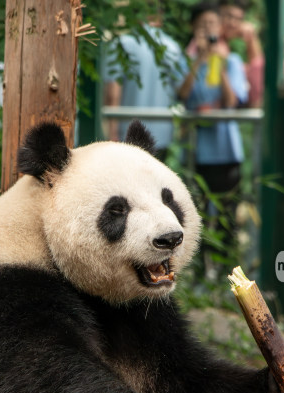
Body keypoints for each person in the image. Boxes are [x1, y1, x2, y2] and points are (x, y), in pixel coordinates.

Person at [177, 2, 248, 279]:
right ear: (193, 30)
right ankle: (197, 274)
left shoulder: (231, 61)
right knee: (196, 215)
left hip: (227, 151)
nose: (208, 31)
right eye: (202, 25)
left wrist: (219, 62)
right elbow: (182, 95)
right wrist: (199, 61)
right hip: (197, 153)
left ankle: (228, 276)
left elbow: (232, 101)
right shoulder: (186, 61)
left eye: (212, 25)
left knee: (228, 216)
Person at [103, 12, 184, 160]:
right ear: (160, 18)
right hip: (162, 135)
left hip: (127, 135)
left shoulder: (121, 44)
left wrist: (111, 134)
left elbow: (112, 94)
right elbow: (182, 91)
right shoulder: (173, 48)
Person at [218, 0, 263, 107]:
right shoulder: (213, 41)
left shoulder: (225, 43)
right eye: (228, 16)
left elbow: (256, 66)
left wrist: (251, 38)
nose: (233, 23)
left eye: (238, 19)